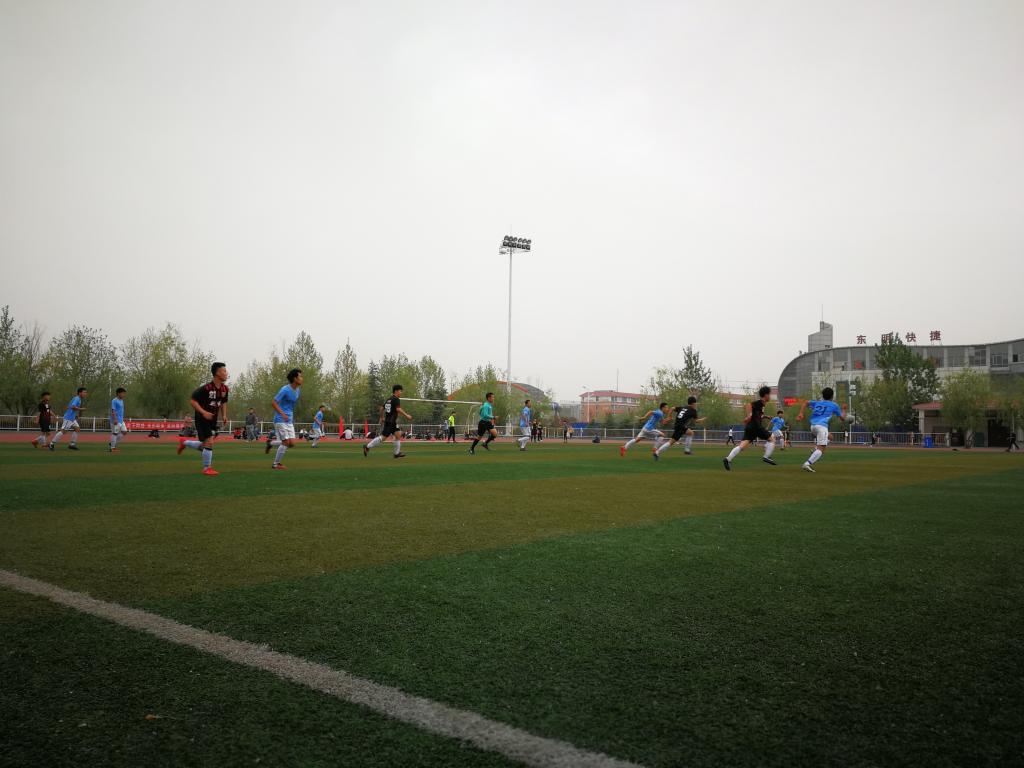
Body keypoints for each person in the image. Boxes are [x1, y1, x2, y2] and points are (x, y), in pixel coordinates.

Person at [177, 362, 230, 475]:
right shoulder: (206, 388)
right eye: (224, 371)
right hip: (202, 418)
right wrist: (204, 412)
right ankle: (207, 468)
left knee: (205, 444)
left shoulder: (225, 389)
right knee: (209, 442)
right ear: (217, 373)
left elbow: (223, 402)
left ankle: (184, 442)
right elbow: (193, 401)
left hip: (213, 419)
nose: (226, 373)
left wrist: (224, 415)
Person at [796, 386, 852, 473]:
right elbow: (842, 418)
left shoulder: (818, 403)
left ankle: (815, 449)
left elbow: (805, 402)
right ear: (832, 396)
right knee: (822, 449)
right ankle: (807, 464)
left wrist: (801, 414)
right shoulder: (834, 405)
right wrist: (844, 409)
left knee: (830, 437)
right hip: (822, 427)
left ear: (823, 395)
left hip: (813, 426)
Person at [723, 386, 777, 471]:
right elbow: (748, 405)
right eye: (769, 394)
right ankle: (766, 457)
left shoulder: (762, 405)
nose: (770, 396)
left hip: (750, 427)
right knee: (772, 439)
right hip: (756, 426)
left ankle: (728, 459)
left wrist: (766, 417)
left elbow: (758, 415)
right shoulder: (760, 402)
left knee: (742, 446)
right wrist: (749, 415)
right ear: (766, 395)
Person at [265, 368, 302, 469]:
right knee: (285, 442)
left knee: (292, 443)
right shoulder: (285, 389)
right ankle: (276, 464)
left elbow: (290, 406)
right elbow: (274, 403)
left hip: (289, 420)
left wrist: (290, 416)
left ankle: (270, 443)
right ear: (295, 378)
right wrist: (282, 414)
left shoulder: (297, 391)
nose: (302, 378)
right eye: (300, 376)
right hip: (280, 419)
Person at [364, 384, 413, 458]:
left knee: (398, 435)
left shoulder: (389, 399)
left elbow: (381, 409)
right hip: (390, 422)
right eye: (400, 391)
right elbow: (398, 409)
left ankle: (396, 453)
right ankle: (367, 446)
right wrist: (407, 415)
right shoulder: (396, 399)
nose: (401, 392)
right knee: (383, 438)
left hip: (391, 422)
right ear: (396, 391)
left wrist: (382, 417)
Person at [108, 387, 127, 453]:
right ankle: (112, 448)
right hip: (116, 420)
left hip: (121, 420)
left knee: (124, 432)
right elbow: (113, 410)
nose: (124, 395)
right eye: (123, 393)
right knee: (115, 433)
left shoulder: (121, 400)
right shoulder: (114, 400)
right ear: (118, 393)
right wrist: (115, 419)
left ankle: (112, 442)